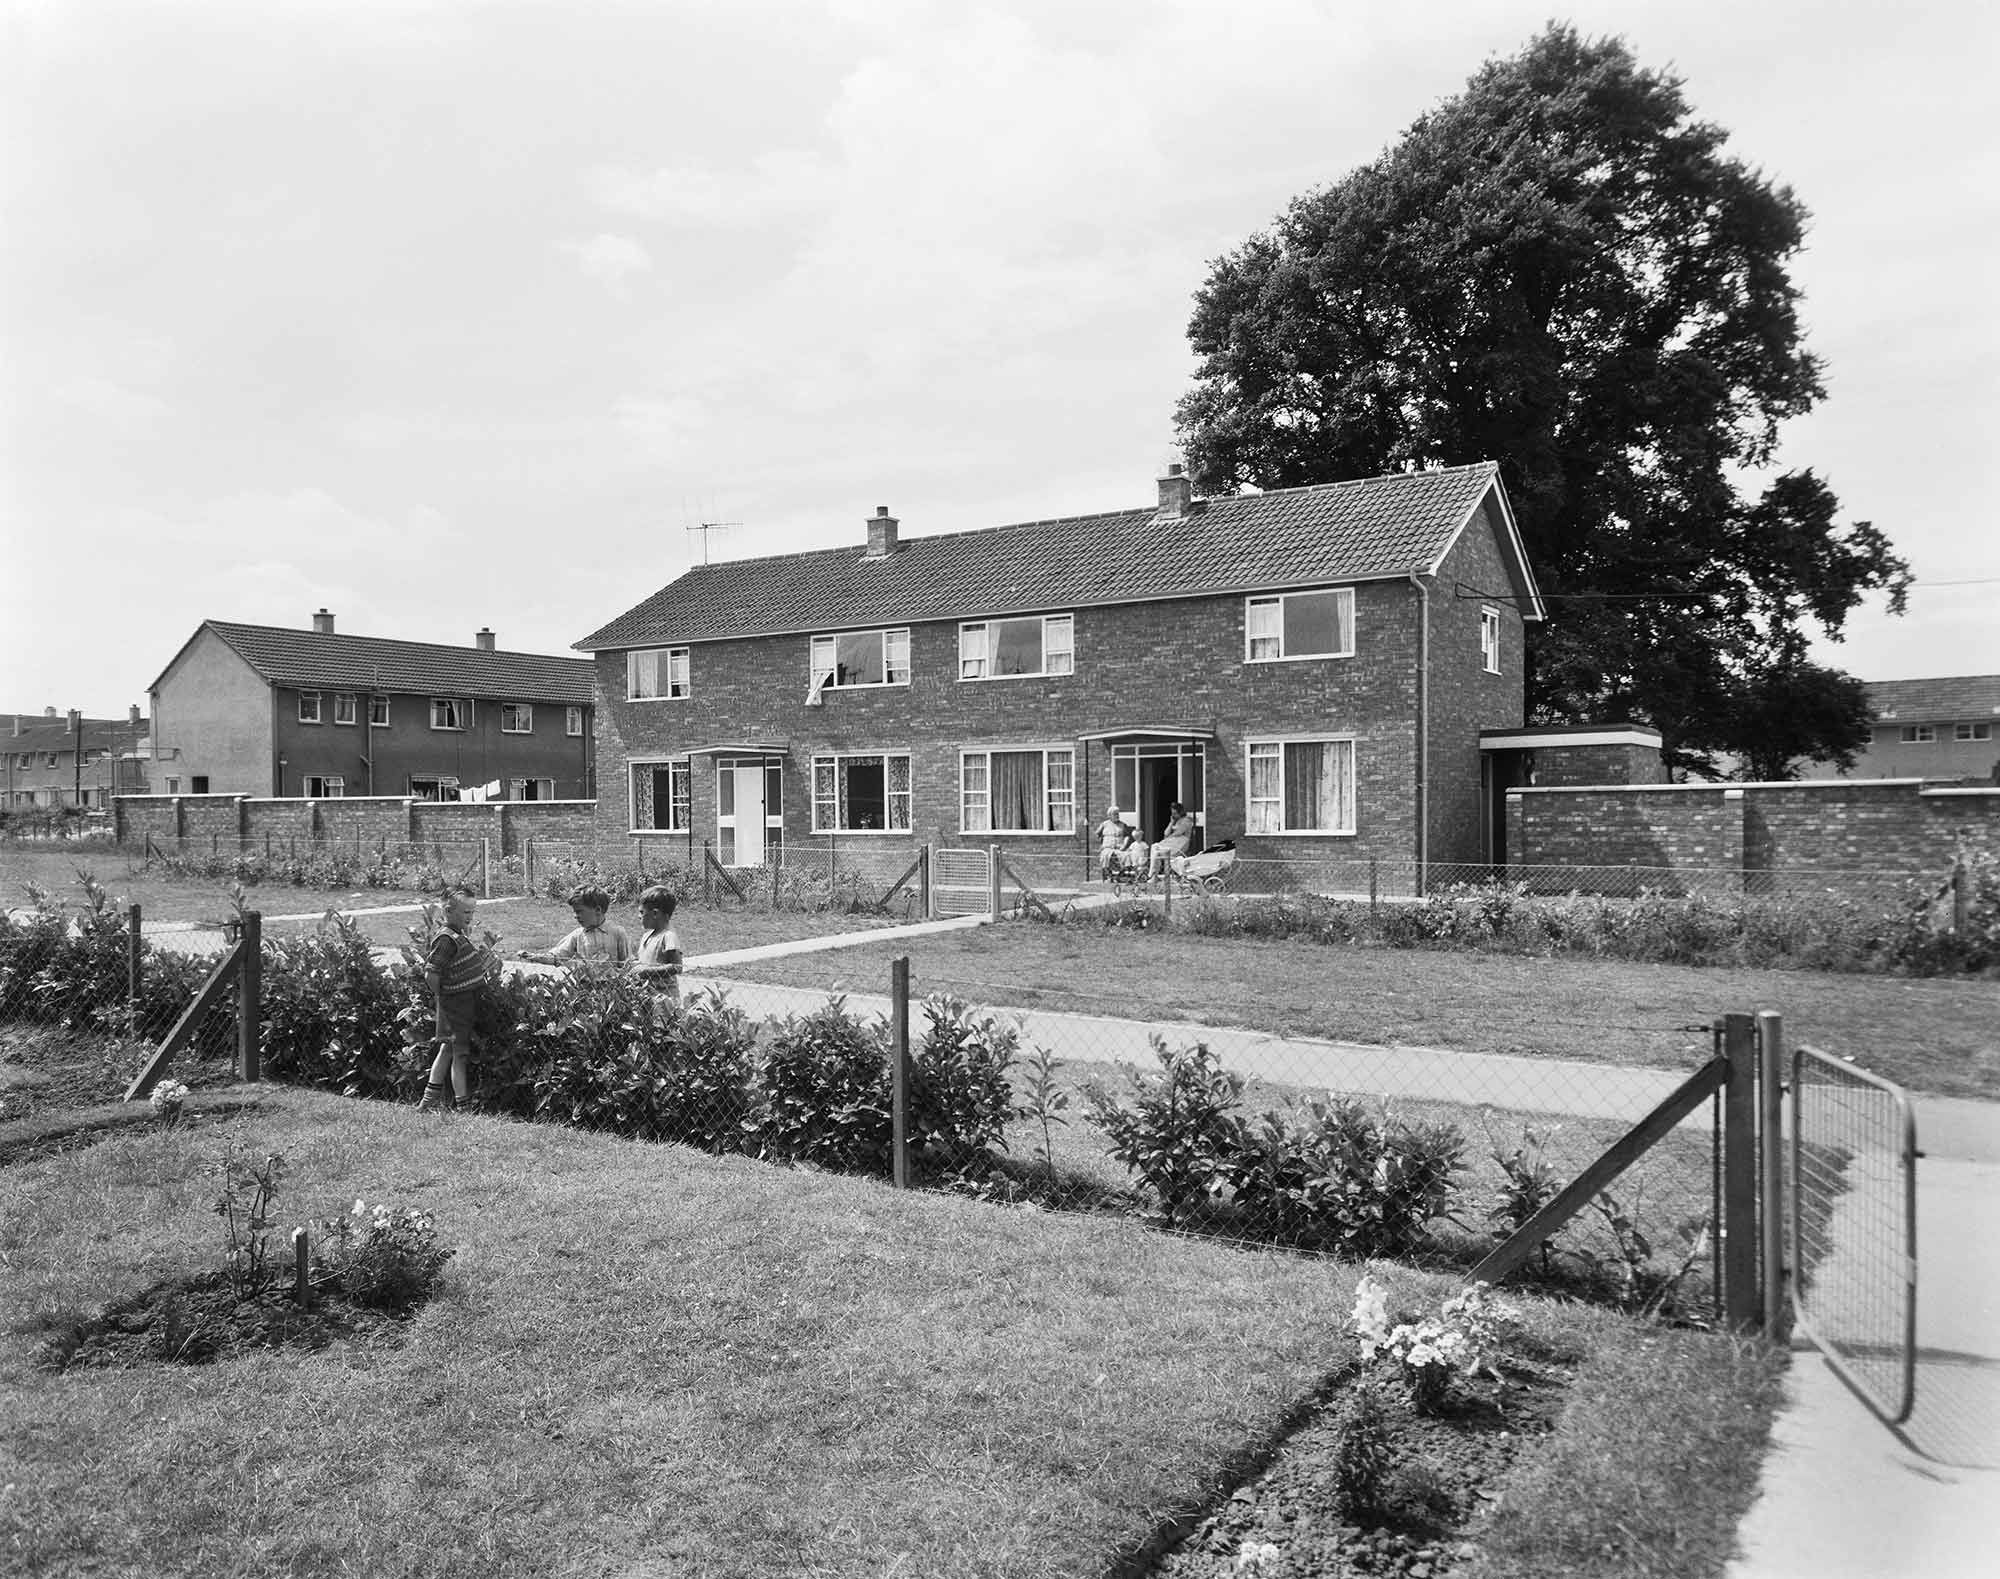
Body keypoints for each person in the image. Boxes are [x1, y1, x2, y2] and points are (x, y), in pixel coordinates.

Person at [419, 885, 492, 1113]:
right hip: (455, 1005)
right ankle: (463, 1106)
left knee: (447, 1050)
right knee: (459, 1054)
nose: (470, 917)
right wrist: (443, 995)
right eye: (466, 912)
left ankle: (427, 1102)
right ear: (449, 911)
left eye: (472, 912)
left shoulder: (456, 935)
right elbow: (431, 972)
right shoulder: (446, 939)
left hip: (460, 1004)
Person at [518, 887, 633, 967]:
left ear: (598, 910)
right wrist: (535, 957)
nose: (575, 916)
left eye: (579, 911)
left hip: (612, 988)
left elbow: (627, 963)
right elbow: (558, 955)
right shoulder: (578, 935)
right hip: (584, 986)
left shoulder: (617, 933)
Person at [631, 885, 685, 1005]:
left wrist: (647, 971)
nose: (638, 916)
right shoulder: (647, 936)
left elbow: (677, 967)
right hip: (647, 997)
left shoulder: (668, 936)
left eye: (641, 912)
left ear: (655, 913)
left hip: (665, 1000)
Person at [1149, 802, 1197, 880]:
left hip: (1181, 843)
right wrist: (1171, 822)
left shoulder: (1186, 821)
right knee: (1155, 848)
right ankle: (1154, 875)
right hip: (1173, 842)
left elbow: (1178, 833)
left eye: (1175, 813)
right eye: (1172, 813)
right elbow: (1166, 833)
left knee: (1157, 848)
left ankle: (1153, 875)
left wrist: (1167, 838)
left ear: (1180, 812)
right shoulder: (1176, 821)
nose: (1173, 815)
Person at [1097, 805, 1129, 880]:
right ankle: (1109, 876)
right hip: (1107, 848)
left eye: (1117, 814)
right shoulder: (1104, 824)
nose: (1117, 815)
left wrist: (1124, 845)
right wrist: (1102, 844)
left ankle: (1119, 876)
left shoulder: (1123, 825)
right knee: (1105, 856)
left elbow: (1127, 836)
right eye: (1115, 814)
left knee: (1126, 856)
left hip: (1119, 848)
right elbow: (1098, 834)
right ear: (1109, 815)